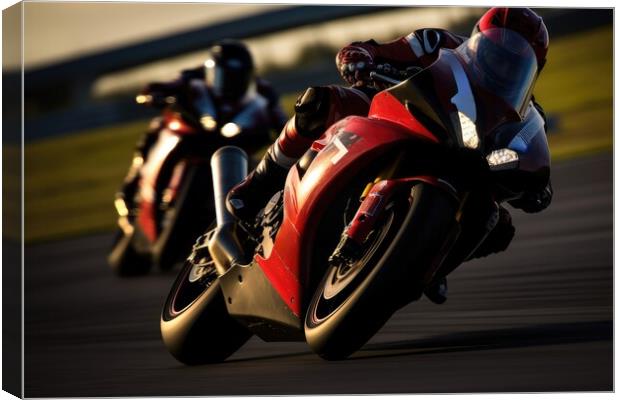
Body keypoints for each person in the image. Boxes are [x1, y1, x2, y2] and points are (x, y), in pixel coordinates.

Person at [226, 8, 554, 303]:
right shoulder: (436, 42)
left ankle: (431, 261)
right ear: (479, 40)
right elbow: (372, 50)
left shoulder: (525, 114)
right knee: (319, 104)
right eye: (496, 52)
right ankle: (258, 183)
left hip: (462, 157)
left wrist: (537, 184)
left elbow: (533, 157)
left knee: (497, 224)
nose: (501, 65)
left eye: (514, 62)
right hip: (396, 117)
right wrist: (361, 58)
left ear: (531, 70)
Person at [117, 39, 288, 209]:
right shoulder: (193, 77)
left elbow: (280, 119)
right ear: (212, 70)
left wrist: (283, 133)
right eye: (225, 76)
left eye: (238, 77)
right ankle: (131, 187)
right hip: (198, 133)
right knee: (159, 127)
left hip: (236, 140)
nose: (231, 83)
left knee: (267, 164)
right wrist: (154, 95)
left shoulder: (264, 90)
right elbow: (164, 87)